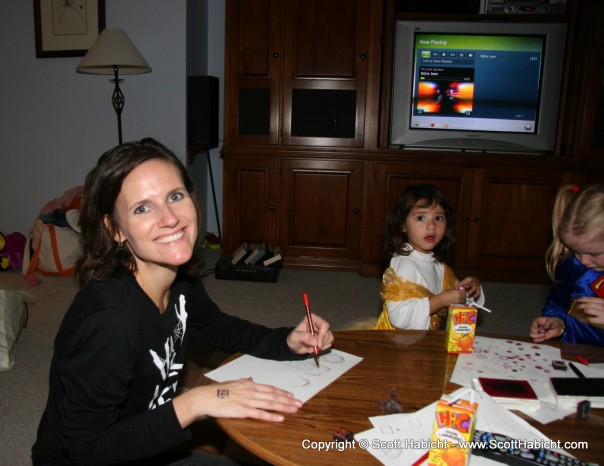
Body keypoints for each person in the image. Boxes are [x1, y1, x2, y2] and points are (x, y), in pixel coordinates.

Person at [31, 138, 334, 466]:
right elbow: (87, 453)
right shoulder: (110, 323)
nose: (170, 218)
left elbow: (215, 327)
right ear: (114, 229)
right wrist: (195, 402)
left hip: (146, 440)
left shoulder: (179, 280)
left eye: (175, 196)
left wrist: (286, 341)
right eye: (142, 208)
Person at [375, 184, 484, 330]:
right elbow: (399, 317)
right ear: (403, 225)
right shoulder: (404, 264)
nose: (431, 226)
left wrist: (470, 289)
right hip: (398, 342)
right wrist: (441, 300)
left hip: (424, 337)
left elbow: (459, 299)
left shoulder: (438, 265)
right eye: (421, 217)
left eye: (438, 218)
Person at [529, 183, 604, 345]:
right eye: (575, 251)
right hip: (574, 351)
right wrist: (558, 323)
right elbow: (558, 303)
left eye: (594, 254)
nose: (583, 260)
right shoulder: (574, 264)